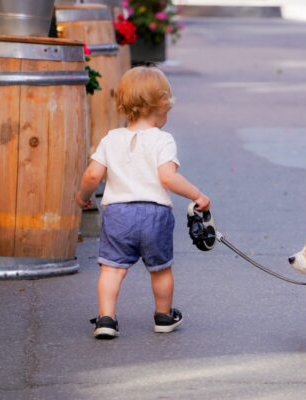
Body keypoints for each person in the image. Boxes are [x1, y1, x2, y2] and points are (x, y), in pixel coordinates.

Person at [76, 66, 210, 339]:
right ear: (162, 107)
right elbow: (168, 178)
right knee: (160, 270)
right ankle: (163, 315)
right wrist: (197, 195)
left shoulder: (111, 139)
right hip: (154, 214)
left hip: (118, 214)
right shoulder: (163, 140)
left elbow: (92, 174)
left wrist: (83, 197)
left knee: (112, 269)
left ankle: (106, 319)